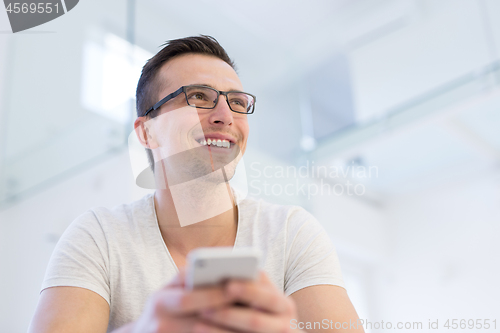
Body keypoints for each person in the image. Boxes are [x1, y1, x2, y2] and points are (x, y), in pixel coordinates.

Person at [28, 36, 364, 333]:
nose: (225, 116)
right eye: (198, 97)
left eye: (237, 102)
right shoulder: (99, 236)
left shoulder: (291, 233)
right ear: (147, 132)